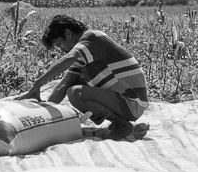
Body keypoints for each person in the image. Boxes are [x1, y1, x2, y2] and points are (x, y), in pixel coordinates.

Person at [18, 14, 148, 141]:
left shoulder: (91, 37)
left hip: (132, 101)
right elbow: (64, 84)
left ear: (68, 34)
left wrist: (37, 85)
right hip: (127, 101)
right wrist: (44, 113)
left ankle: (121, 124)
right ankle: (119, 121)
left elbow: (69, 59)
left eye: (59, 44)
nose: (61, 50)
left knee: (77, 93)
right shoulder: (84, 52)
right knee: (73, 84)